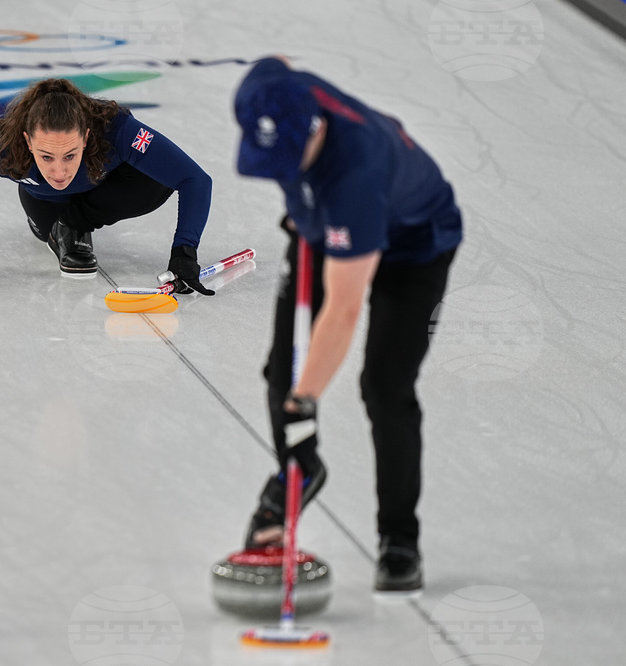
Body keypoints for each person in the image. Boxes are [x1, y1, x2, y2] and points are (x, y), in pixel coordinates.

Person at [233, 57, 463, 597]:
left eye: (290, 159)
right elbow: (281, 64)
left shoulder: (355, 173)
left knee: (385, 388)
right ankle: (301, 469)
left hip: (414, 249)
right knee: (281, 369)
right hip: (327, 220)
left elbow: (342, 311)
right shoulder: (271, 87)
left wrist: (304, 403)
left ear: (315, 130)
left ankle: (399, 540)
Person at [0, 78, 216, 294]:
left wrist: (184, 252)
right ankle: (60, 227)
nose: (58, 172)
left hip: (103, 188)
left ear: (86, 137)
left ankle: (75, 223)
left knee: (157, 180)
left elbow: (194, 179)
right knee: (50, 205)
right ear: (27, 141)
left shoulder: (116, 129)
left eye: (70, 155)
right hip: (45, 205)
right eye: (45, 156)